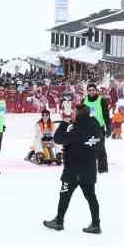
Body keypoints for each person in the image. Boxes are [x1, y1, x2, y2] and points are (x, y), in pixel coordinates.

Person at [43, 97, 104, 233]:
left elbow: (58, 139)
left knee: (64, 194)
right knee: (91, 196)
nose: (72, 114)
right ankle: (96, 224)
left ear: (79, 116)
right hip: (89, 168)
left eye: (74, 113)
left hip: (74, 170)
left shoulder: (76, 131)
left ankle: (59, 221)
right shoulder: (94, 124)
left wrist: (64, 123)